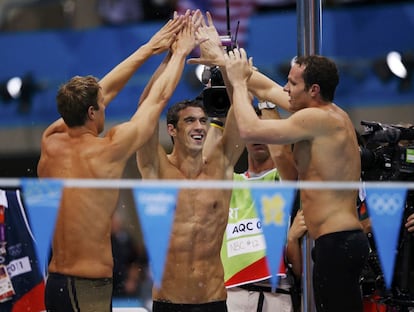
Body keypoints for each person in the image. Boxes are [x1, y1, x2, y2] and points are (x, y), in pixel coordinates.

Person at [36, 14, 192, 311]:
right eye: (102, 105)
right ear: (93, 113)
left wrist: (149, 48)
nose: (106, 105)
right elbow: (157, 101)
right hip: (86, 288)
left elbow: (101, 91)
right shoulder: (108, 149)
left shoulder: (50, 140)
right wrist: (180, 53)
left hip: (56, 283)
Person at [221, 48, 370, 312]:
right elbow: (267, 90)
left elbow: (250, 129)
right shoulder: (328, 114)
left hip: (337, 243)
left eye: (292, 83)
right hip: (338, 242)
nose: (286, 88)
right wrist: (224, 59)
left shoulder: (318, 118)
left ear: (313, 90)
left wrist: (238, 82)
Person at [135, 15, 245, 312]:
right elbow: (146, 110)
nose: (200, 127)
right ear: (171, 129)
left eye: (203, 120)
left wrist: (221, 60)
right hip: (169, 302)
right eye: (190, 121)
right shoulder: (156, 169)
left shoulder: (220, 166)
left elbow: (242, 116)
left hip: (213, 301)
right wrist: (175, 55)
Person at [216, 105, 307, 312]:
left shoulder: (283, 177)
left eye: (265, 131)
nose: (259, 136)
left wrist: (266, 101)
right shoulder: (231, 182)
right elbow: (216, 156)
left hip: (278, 292)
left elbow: (282, 152)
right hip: (233, 292)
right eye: (254, 131)